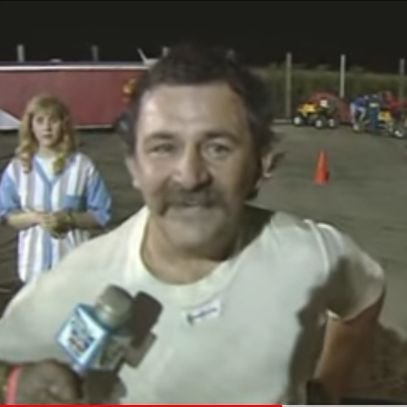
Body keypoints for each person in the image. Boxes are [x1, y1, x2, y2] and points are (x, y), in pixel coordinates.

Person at [0, 45, 384, 404]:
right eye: (164, 147)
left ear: (260, 165)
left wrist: (328, 388)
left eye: (218, 147)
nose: (189, 175)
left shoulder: (313, 255)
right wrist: (16, 386)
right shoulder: (62, 290)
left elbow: (364, 296)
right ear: (134, 167)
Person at [0, 94, 112, 283]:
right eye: (40, 121)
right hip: (33, 271)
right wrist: (34, 218)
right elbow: (7, 214)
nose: (47, 128)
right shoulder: (18, 168)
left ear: (64, 124)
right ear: (31, 126)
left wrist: (69, 219)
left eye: (53, 120)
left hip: (73, 270)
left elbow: (102, 215)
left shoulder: (82, 166)